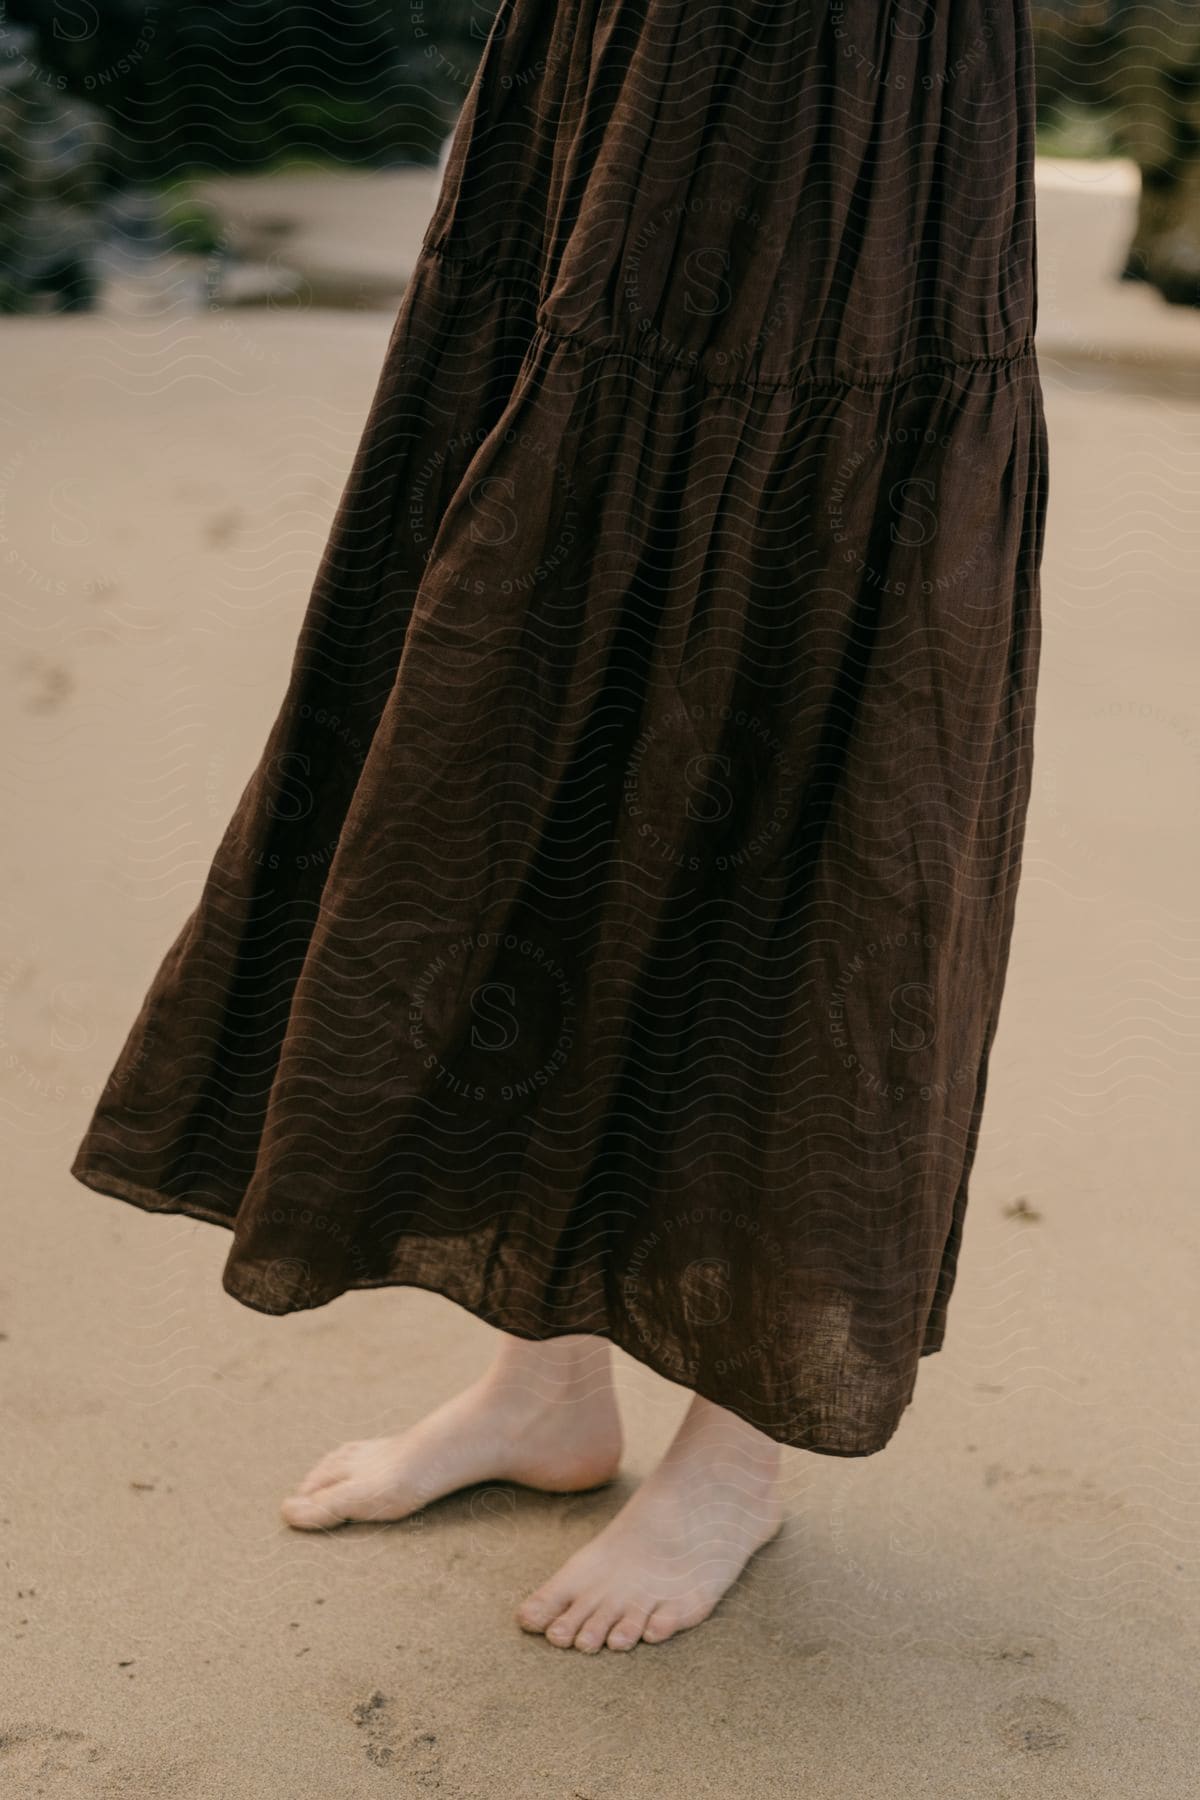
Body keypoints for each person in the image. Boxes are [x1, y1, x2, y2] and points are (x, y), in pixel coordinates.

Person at [70, 0, 1048, 1653]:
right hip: (617, 57)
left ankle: (736, 1453)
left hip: (851, 78)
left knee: (799, 687)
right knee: (538, 673)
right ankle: (544, 1381)